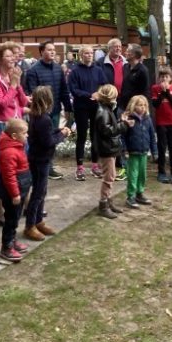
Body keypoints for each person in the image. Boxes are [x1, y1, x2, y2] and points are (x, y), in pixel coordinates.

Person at [25, 86, 71, 241]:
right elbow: (49, 142)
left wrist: (58, 130)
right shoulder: (43, 119)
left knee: (41, 192)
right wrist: (63, 135)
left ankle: (38, 221)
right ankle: (30, 225)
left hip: (38, 158)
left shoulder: (37, 116)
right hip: (40, 160)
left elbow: (46, 134)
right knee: (37, 193)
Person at [0, 43, 28, 198]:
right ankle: (0, 201)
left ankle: (19, 196)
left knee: (21, 164)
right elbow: (1, 104)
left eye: (13, 55)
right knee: (2, 165)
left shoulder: (12, 75)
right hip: (2, 125)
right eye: (8, 56)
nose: (13, 58)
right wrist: (13, 86)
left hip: (19, 125)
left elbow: (23, 102)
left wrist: (18, 82)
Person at [23, 42, 73, 179]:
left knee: (52, 139)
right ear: (41, 52)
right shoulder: (33, 70)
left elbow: (64, 89)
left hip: (55, 109)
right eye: (49, 50)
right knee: (40, 140)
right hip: (40, 113)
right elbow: (32, 92)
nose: (52, 52)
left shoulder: (58, 69)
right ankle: (38, 166)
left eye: (54, 50)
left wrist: (68, 107)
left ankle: (49, 167)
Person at [0, 118, 32, 263]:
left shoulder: (17, 146)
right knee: (11, 219)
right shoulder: (9, 152)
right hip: (13, 193)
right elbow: (9, 176)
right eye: (25, 133)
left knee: (15, 218)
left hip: (20, 188)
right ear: (15, 136)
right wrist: (15, 194)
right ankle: (7, 246)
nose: (27, 136)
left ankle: (13, 239)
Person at [68, 46, 104, 180]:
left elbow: (104, 85)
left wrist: (100, 94)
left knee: (95, 136)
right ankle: (80, 168)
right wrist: (90, 95)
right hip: (81, 107)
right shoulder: (75, 71)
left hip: (96, 107)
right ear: (81, 55)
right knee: (82, 136)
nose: (89, 55)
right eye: (86, 53)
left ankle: (95, 166)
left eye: (91, 53)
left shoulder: (98, 70)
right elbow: (73, 90)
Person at [92, 85, 124, 219]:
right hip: (107, 149)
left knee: (112, 175)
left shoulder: (106, 109)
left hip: (110, 147)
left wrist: (121, 122)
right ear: (111, 98)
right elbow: (107, 131)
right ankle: (103, 204)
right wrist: (124, 125)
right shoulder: (103, 112)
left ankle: (108, 201)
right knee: (109, 177)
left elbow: (110, 127)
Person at [99, 39, 127, 180]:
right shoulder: (101, 63)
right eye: (115, 47)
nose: (118, 49)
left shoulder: (125, 63)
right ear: (109, 48)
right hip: (108, 102)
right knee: (110, 132)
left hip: (122, 102)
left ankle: (121, 164)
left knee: (119, 132)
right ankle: (111, 164)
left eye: (119, 46)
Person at [121, 94, 156, 208]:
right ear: (133, 106)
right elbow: (123, 136)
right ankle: (130, 196)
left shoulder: (148, 119)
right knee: (133, 174)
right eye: (140, 105)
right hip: (132, 152)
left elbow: (152, 135)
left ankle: (139, 193)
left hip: (144, 152)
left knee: (142, 174)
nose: (142, 107)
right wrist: (125, 150)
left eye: (144, 105)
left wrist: (154, 151)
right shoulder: (129, 119)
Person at [151, 70, 172, 183]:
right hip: (161, 122)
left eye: (166, 76)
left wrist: (167, 91)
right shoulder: (155, 88)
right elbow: (155, 104)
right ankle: (161, 172)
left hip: (171, 122)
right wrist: (162, 92)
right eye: (162, 76)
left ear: (170, 78)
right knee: (162, 147)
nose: (164, 78)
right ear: (159, 78)